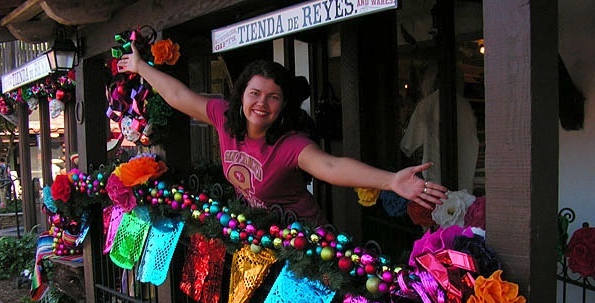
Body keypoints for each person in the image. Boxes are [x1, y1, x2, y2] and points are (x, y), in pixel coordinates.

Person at [117, 44, 448, 227]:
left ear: (282, 104)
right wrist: (141, 67)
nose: (262, 103)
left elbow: (331, 167)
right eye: (255, 93)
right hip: (266, 232)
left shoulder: (289, 145)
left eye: (273, 97)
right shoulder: (224, 118)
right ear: (241, 95)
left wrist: (390, 181)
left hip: (307, 242)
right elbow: (178, 97)